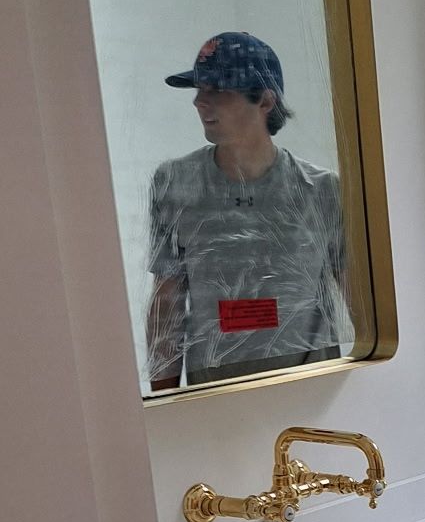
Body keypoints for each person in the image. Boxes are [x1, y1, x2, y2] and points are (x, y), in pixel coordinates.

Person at [145, 32, 347, 390]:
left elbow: (354, 289)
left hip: (312, 386)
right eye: (199, 90)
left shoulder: (321, 190)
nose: (199, 103)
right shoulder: (175, 184)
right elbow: (167, 298)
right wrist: (166, 401)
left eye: (217, 92)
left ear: (266, 102)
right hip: (218, 392)